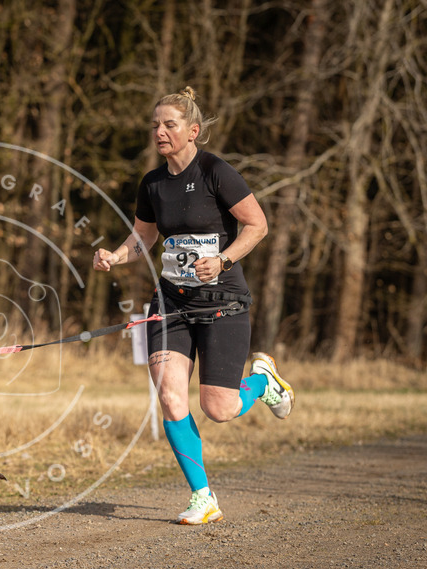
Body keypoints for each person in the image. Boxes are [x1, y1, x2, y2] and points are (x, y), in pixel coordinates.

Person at [93, 86, 294, 525]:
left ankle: (262, 382)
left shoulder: (216, 172)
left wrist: (222, 259)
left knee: (218, 408)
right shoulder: (153, 183)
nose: (160, 132)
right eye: (155, 125)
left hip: (222, 302)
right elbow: (144, 237)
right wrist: (115, 254)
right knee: (170, 395)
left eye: (170, 125)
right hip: (170, 302)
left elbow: (257, 225)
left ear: (193, 131)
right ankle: (203, 496)